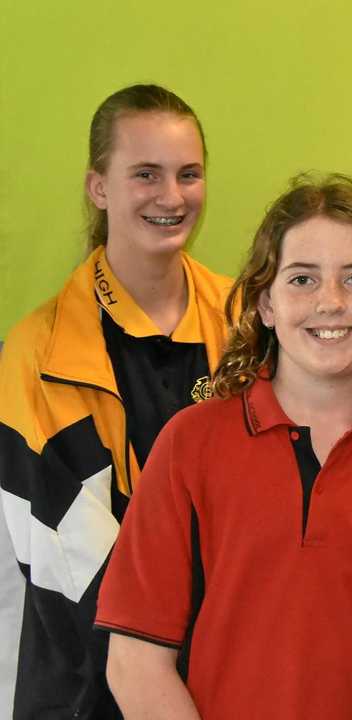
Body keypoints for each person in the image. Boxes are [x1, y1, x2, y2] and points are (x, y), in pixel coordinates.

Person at [95, 175, 352, 718]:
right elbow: (134, 660)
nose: (330, 302)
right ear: (267, 304)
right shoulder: (191, 443)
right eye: (302, 279)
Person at [0, 84, 231, 718]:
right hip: (86, 692)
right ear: (98, 188)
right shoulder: (40, 356)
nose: (172, 196)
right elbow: (75, 583)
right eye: (146, 175)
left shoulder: (247, 322)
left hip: (225, 680)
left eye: (189, 174)